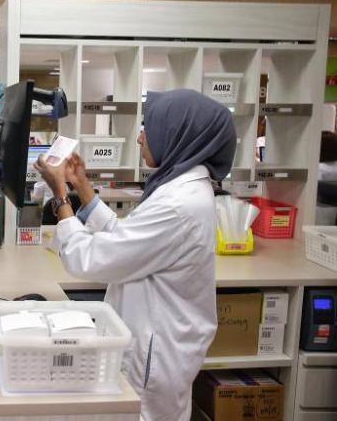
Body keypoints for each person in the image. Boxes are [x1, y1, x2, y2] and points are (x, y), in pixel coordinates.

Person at [35, 89, 235, 421]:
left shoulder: (178, 203)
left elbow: (91, 259)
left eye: (148, 128)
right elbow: (128, 241)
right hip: (157, 343)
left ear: (177, 134)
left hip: (155, 357)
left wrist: (60, 196)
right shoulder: (180, 188)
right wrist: (81, 185)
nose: (140, 137)